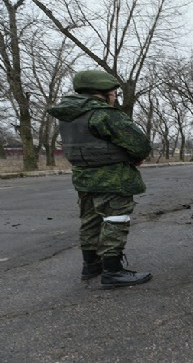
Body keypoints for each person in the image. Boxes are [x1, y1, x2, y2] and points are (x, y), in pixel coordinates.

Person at [48, 69, 152, 289]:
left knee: (90, 220)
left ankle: (91, 265)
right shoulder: (104, 114)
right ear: (103, 93)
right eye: (114, 93)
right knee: (116, 220)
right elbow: (140, 144)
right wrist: (136, 157)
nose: (115, 97)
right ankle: (113, 271)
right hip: (113, 177)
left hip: (84, 176)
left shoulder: (69, 116)